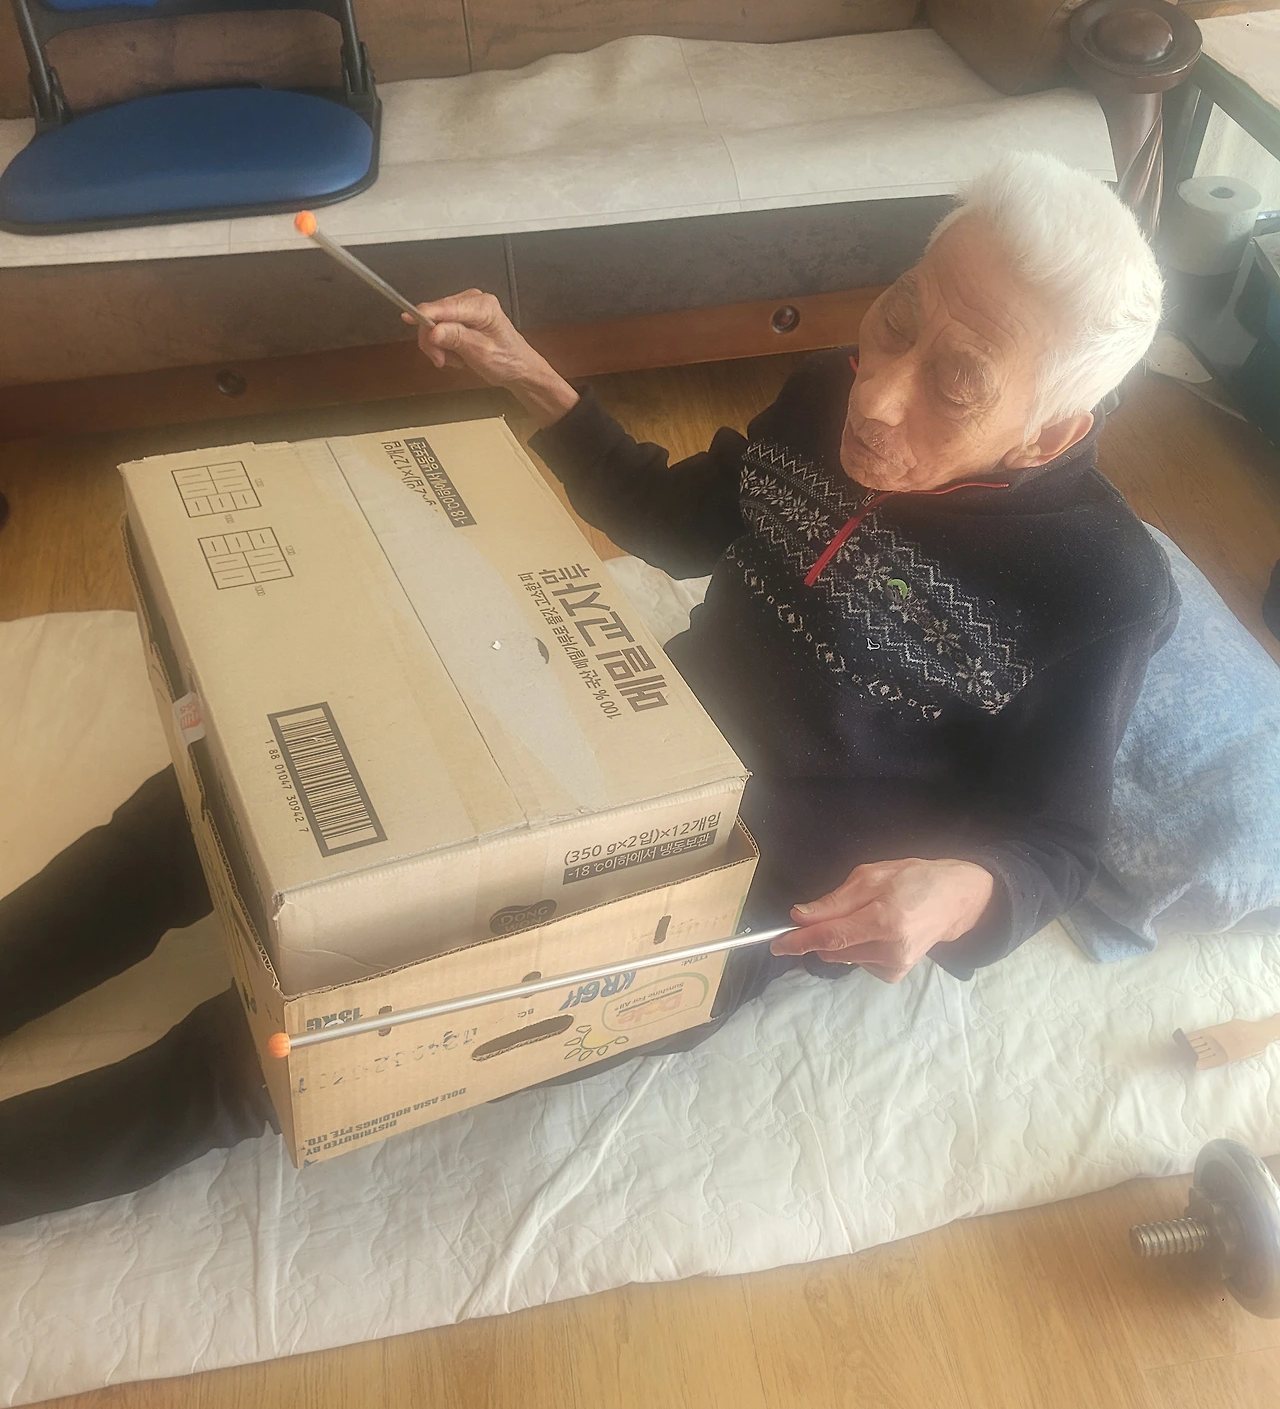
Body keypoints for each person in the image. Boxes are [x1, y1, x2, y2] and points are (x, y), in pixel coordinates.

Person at [0, 153, 1175, 1224]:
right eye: (897, 319)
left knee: (313, 1038)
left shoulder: (1098, 587)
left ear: (1044, 433)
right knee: (224, 802)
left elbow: (1057, 842)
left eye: (954, 383)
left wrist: (957, 888)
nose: (877, 395)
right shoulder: (827, 390)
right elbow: (677, 522)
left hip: (746, 881)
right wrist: (528, 376)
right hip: (628, 729)